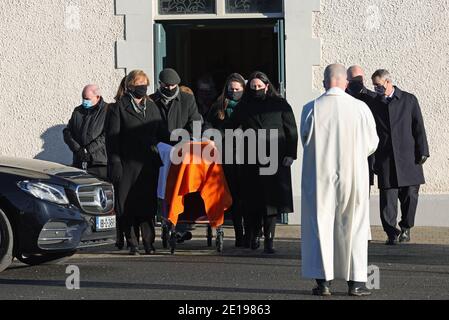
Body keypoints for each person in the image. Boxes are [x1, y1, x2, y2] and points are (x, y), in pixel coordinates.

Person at [301, 64, 379, 297]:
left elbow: (306, 138)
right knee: (354, 225)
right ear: (345, 82)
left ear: (325, 81)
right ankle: (355, 282)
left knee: (320, 224)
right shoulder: (360, 107)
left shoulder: (311, 108)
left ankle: (323, 282)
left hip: (320, 175)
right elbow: (372, 142)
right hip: (353, 174)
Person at [231, 71, 298, 254]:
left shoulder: (280, 104)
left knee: (272, 201)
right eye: (253, 87)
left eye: (259, 86)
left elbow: (291, 130)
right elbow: (231, 127)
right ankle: (253, 235)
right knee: (252, 199)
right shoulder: (244, 106)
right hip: (250, 157)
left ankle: (270, 240)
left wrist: (291, 154)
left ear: (267, 86)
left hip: (275, 158)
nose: (256, 90)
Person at [106, 70, 164, 255]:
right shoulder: (118, 108)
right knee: (128, 204)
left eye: (145, 84)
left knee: (147, 204)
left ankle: (149, 242)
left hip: (148, 163)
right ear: (130, 85)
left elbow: (161, 132)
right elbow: (112, 138)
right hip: (126, 163)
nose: (143, 88)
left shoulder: (152, 106)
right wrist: (115, 161)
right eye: (139, 84)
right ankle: (132, 242)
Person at [370, 69, 430, 245]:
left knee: (410, 196)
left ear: (388, 83)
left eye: (379, 86)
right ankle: (391, 233)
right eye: (374, 86)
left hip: (409, 157)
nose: (376, 90)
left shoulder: (409, 100)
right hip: (386, 158)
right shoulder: (375, 103)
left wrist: (423, 151)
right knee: (388, 200)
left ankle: (406, 228)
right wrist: (372, 158)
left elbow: (418, 126)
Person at [150, 68, 203, 243]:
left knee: (180, 187)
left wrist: (188, 140)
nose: (170, 88)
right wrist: (156, 144)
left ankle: (180, 225)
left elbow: (195, 121)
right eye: (167, 85)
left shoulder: (187, 99)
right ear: (160, 85)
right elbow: (147, 126)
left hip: (182, 149)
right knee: (162, 187)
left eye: (173, 85)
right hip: (160, 151)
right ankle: (165, 220)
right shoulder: (152, 101)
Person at [207, 73, 248, 247]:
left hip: (249, 154)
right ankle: (239, 234)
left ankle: (251, 232)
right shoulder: (219, 106)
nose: (234, 92)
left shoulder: (249, 106)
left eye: (238, 89)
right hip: (226, 155)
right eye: (231, 89)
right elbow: (209, 125)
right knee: (234, 197)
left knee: (247, 196)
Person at [63, 84, 108, 180]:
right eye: (83, 98)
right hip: (79, 162)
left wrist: (88, 150)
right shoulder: (77, 111)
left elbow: (106, 135)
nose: (84, 101)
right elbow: (67, 132)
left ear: (97, 97)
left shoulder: (107, 111)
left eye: (87, 98)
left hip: (98, 163)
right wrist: (77, 149)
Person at [347, 65, 378, 189]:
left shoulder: (373, 98)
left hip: (366, 154)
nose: (357, 83)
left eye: (359, 80)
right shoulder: (341, 98)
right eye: (353, 80)